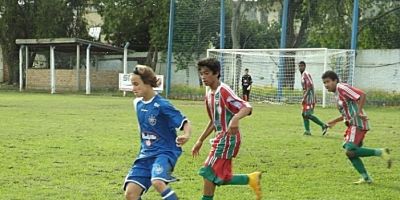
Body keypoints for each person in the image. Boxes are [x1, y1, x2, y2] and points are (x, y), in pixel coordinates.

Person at [192, 58, 262, 200]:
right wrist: (200, 140)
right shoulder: (209, 95)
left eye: (206, 73)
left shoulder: (223, 91)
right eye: (201, 74)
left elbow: (247, 107)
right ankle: (251, 179)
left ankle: (250, 179)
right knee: (217, 176)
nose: (203, 77)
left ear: (216, 73)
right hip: (220, 138)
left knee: (207, 171)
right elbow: (213, 120)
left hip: (228, 138)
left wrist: (235, 119)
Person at [123, 65, 192, 200]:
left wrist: (186, 135)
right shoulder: (137, 103)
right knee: (131, 194)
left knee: (157, 181)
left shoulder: (162, 105)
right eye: (132, 84)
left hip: (165, 152)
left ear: (148, 83)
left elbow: (184, 121)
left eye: (136, 84)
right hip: (146, 154)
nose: (133, 88)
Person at [322, 70, 392, 184]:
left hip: (357, 123)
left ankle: (381, 152)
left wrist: (359, 111)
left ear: (335, 81)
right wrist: (333, 121)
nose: (326, 85)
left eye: (328, 82)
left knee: (350, 150)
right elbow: (346, 114)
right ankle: (366, 178)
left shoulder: (341, 87)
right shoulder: (337, 95)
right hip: (352, 124)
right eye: (324, 83)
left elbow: (362, 95)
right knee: (351, 153)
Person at [298, 61, 328, 135]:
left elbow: (310, 85)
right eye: (299, 66)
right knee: (304, 114)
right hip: (306, 96)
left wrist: (304, 97)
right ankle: (307, 131)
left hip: (309, 97)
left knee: (307, 114)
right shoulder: (302, 75)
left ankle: (323, 125)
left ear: (305, 66)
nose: (300, 67)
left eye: (302, 66)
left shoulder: (306, 74)